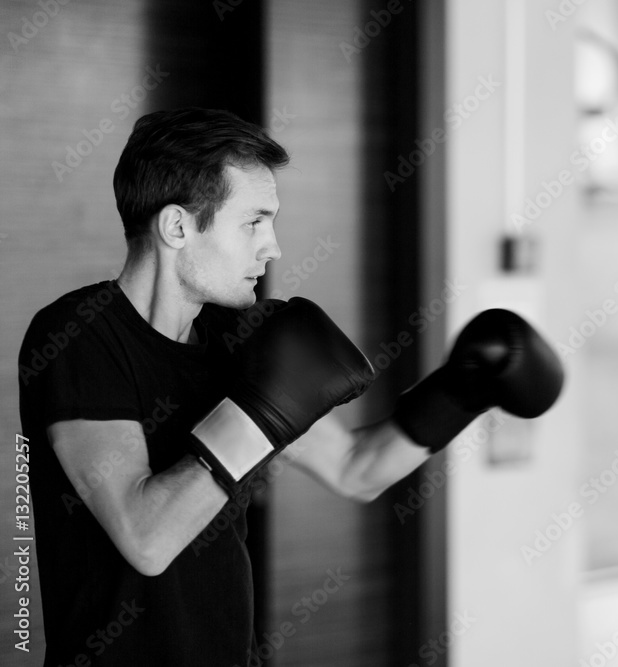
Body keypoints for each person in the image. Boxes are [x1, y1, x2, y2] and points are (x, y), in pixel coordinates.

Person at [18, 107, 564, 666]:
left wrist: (461, 391)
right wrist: (259, 415)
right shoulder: (79, 336)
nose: (272, 246)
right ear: (177, 226)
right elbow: (145, 538)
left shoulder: (235, 340)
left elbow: (356, 469)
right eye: (253, 222)